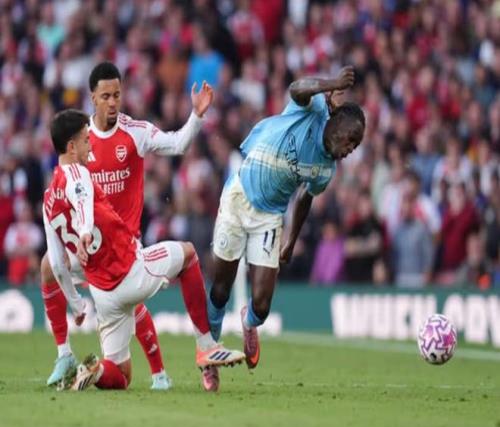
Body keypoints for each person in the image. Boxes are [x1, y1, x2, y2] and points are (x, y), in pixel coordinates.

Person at [40, 61, 217, 391]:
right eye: (105, 96)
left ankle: (157, 374)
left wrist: (196, 115)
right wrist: (85, 232)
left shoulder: (135, 132)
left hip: (122, 246)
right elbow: (79, 197)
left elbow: (177, 144)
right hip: (94, 249)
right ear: (92, 98)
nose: (112, 102)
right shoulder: (81, 140)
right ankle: (64, 354)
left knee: (123, 353)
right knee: (49, 266)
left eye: (117, 95)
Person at [207, 66, 365, 381]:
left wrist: (291, 239)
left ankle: (248, 324)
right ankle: (209, 357)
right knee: (221, 288)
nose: (350, 149)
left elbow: (305, 197)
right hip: (239, 197)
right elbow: (296, 87)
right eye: (351, 140)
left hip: (269, 216)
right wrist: (332, 84)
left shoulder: (326, 170)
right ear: (337, 123)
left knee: (262, 306)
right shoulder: (313, 108)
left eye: (356, 146)